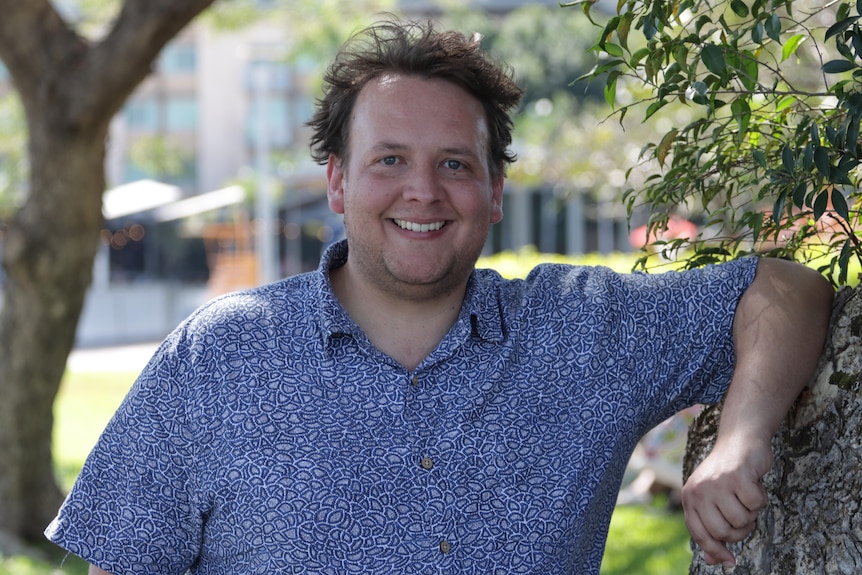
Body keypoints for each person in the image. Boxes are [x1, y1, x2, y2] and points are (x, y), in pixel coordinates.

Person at [45, 17, 834, 575]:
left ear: (494, 191)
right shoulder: (217, 357)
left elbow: (786, 288)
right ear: (337, 181)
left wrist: (742, 436)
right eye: (389, 159)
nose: (423, 191)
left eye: (455, 164)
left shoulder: (582, 334)